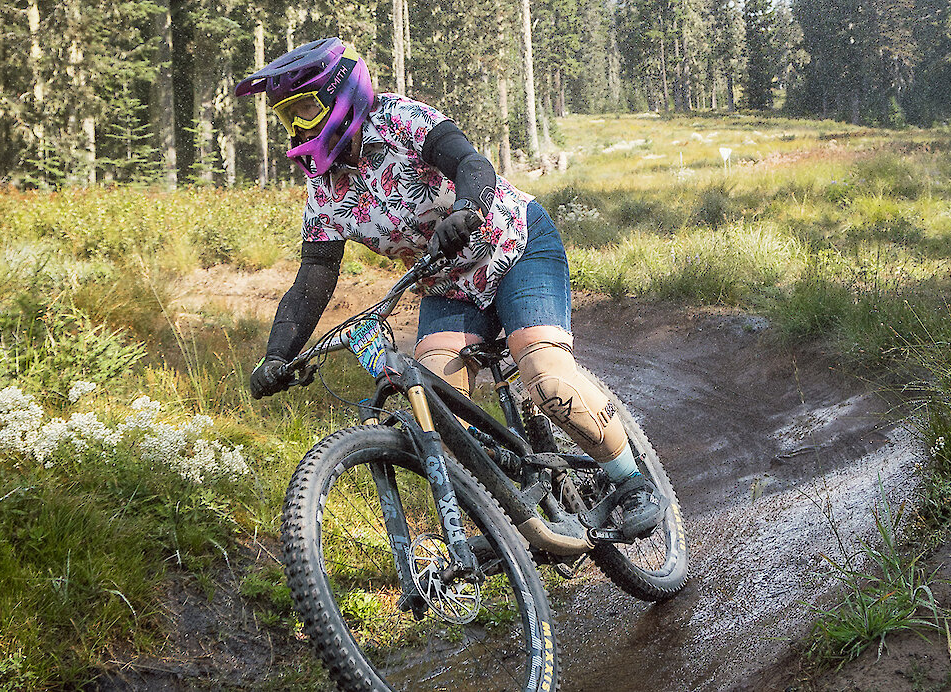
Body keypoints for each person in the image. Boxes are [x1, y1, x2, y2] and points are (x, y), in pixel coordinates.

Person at [236, 37, 663, 539]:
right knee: (436, 404)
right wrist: (276, 356)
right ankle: (519, 514)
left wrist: (466, 208)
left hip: (513, 245)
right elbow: (312, 281)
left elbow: (472, 163)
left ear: (340, 94)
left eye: (306, 109)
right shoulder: (324, 191)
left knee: (545, 375)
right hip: (446, 284)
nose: (300, 127)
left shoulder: (402, 120)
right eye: (290, 117)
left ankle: (631, 482)